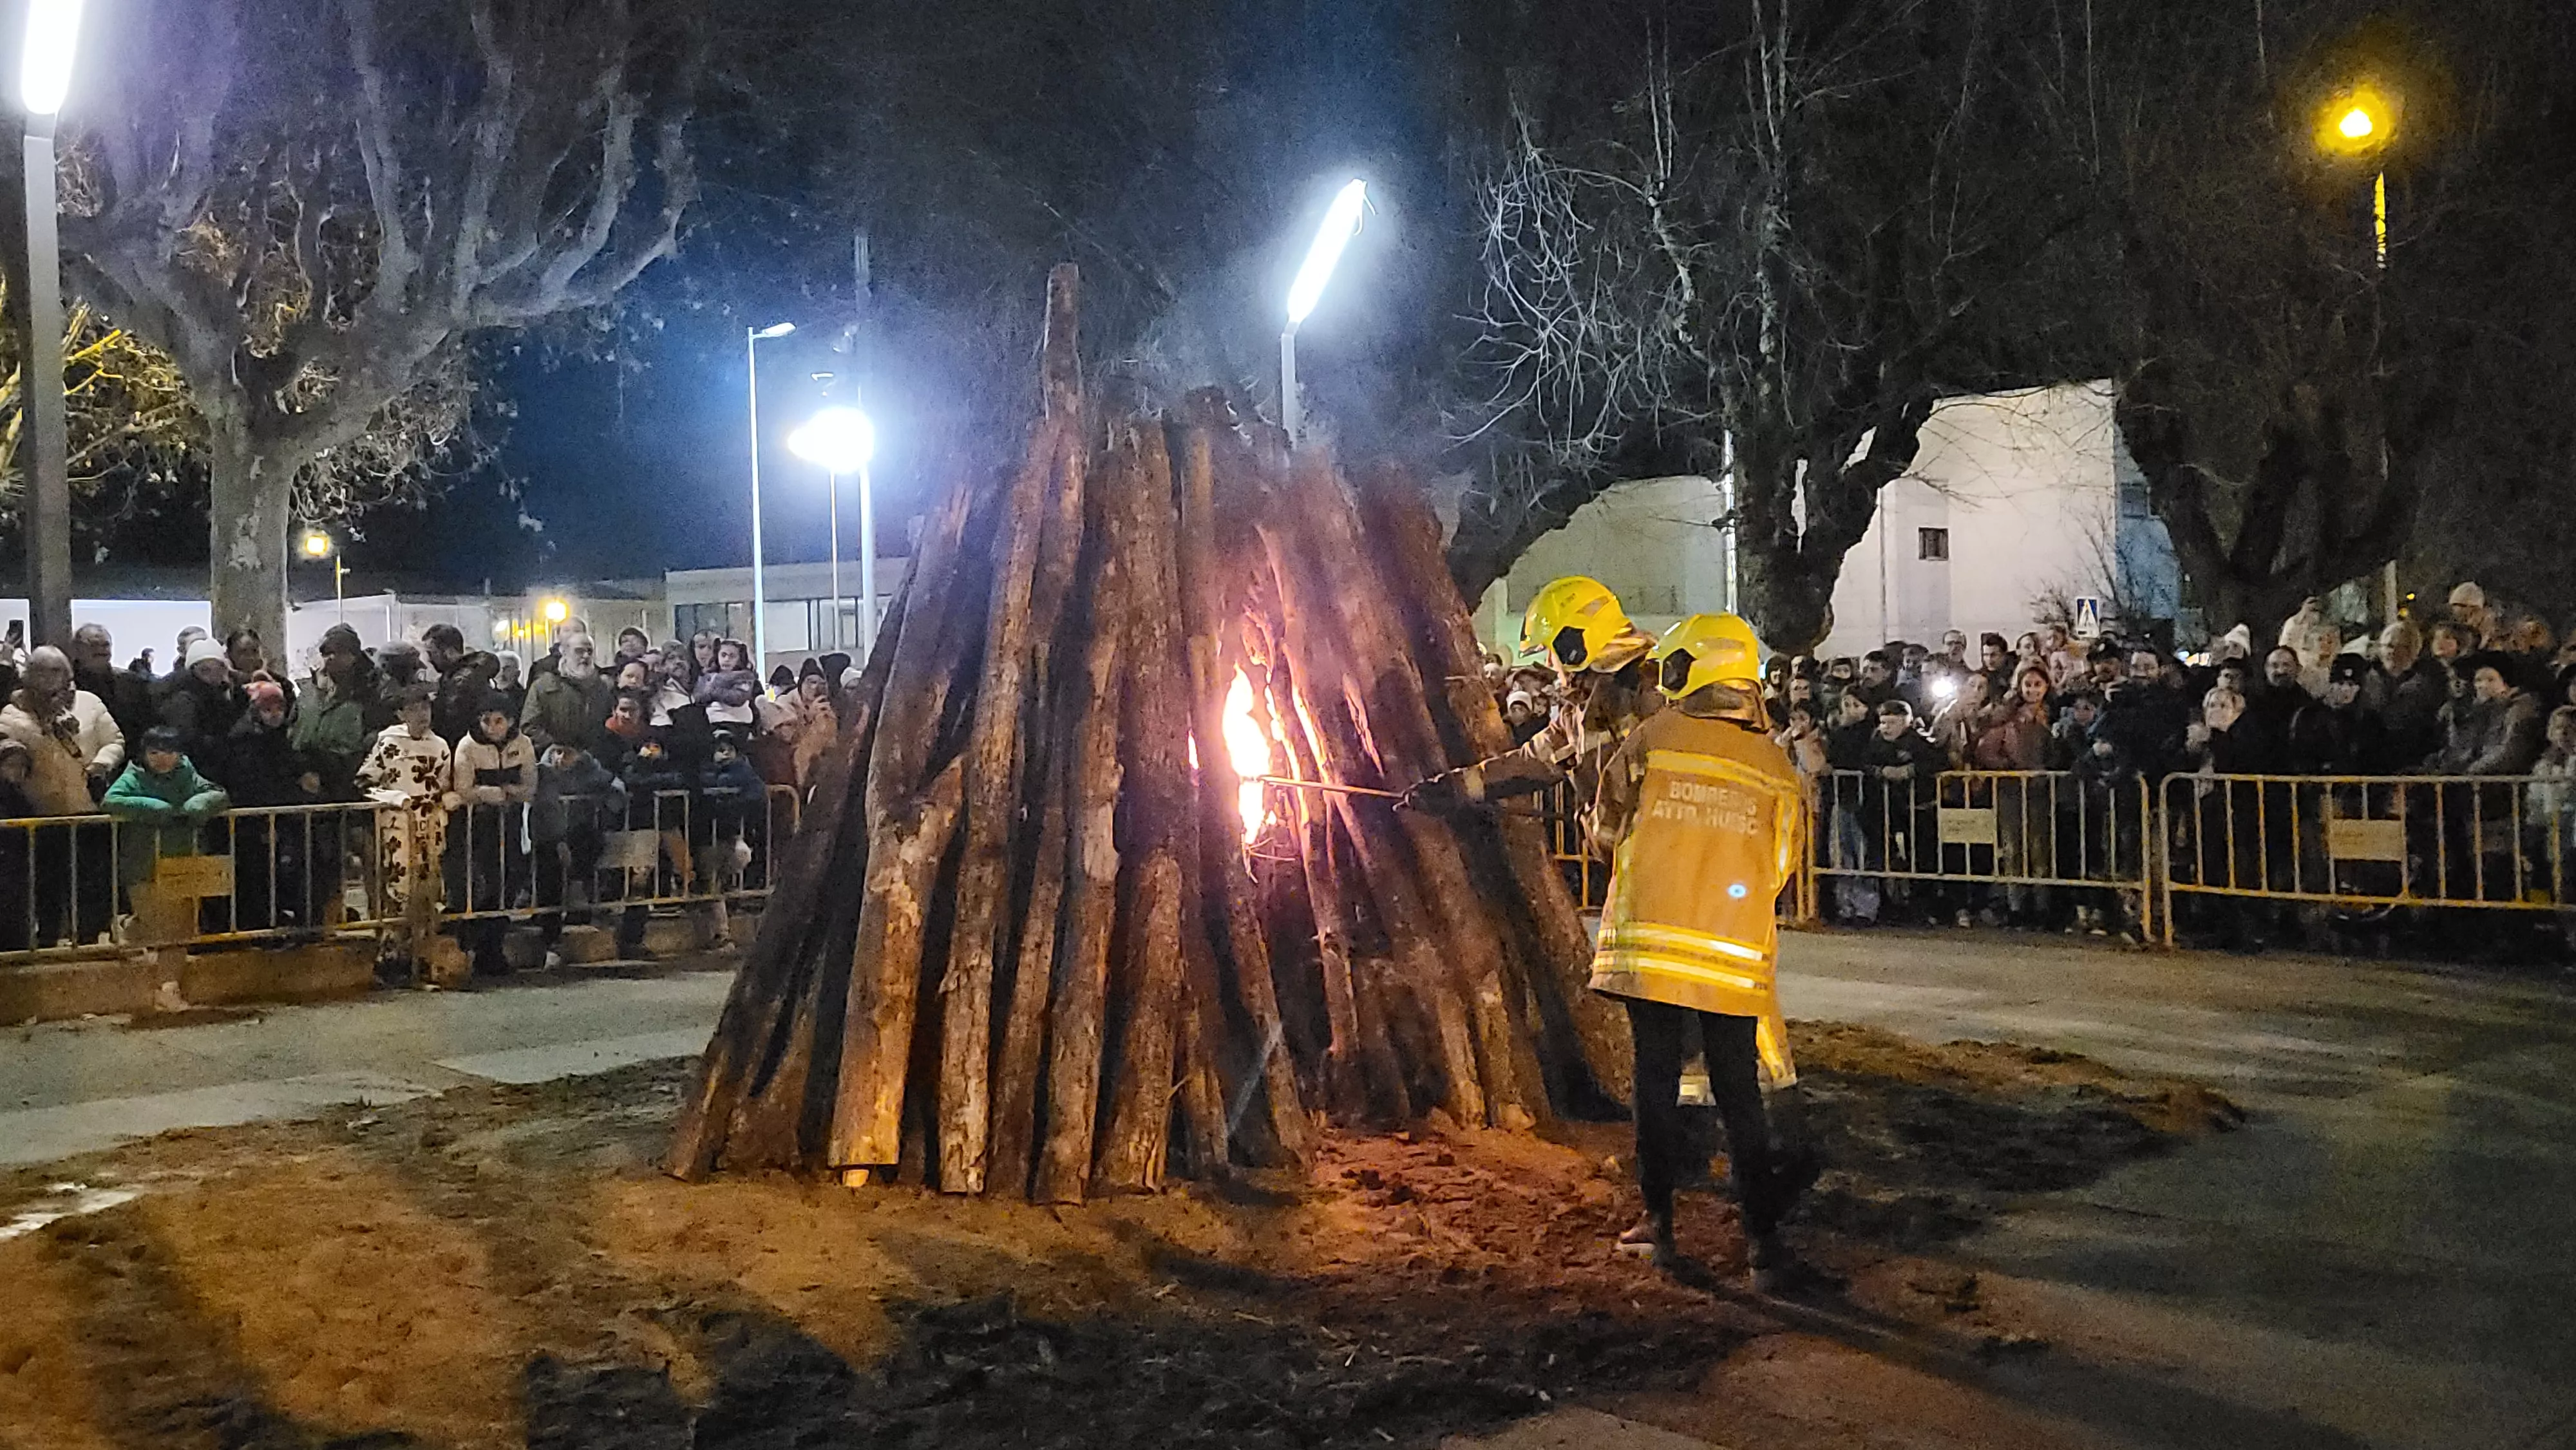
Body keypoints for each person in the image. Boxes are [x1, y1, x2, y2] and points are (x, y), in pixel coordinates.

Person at [1586, 613, 1828, 1292]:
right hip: (1731, 957)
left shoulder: (1650, 740)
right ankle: (1762, 1244)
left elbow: (1605, 832)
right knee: (1738, 1093)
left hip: (1650, 949)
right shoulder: (1775, 765)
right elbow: (1781, 863)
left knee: (1655, 1087)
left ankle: (1657, 1226)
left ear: (1691, 668)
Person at [1400, 577, 1662, 831]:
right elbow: (1528, 764)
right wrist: (1455, 789)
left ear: (1574, 644)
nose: (1549, 663)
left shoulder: (1654, 694)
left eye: (1552, 651)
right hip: (1636, 866)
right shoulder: (1579, 714)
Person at [0, 647, 126, 946]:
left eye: (57, 671)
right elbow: (9, 745)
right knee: (48, 883)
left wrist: (102, 763)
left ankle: (89, 938)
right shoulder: (14, 711)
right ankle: (47, 941)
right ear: (29, 676)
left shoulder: (89, 703)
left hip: (88, 807)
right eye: (42, 672)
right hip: (42, 812)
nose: (51, 679)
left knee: (93, 880)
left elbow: (115, 740)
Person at [446, 693, 536, 977]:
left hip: (509, 823)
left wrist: (499, 793)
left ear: (510, 721)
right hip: (475, 825)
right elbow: (464, 789)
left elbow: (529, 786)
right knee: (478, 884)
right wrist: (500, 793)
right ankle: (470, 945)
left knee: (507, 882)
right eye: (486, 720)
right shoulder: (468, 745)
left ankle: (491, 948)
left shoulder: (523, 745)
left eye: (498, 721)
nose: (492, 727)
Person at [101, 726, 230, 916]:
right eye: (154, 752)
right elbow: (111, 801)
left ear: (180, 754)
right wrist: (155, 808)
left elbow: (218, 794)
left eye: (170, 752)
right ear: (144, 754)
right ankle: (125, 928)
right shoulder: (134, 776)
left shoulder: (188, 774)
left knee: (184, 924)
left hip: (185, 863)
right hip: (144, 864)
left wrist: (197, 804)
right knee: (152, 921)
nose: (162, 758)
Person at [355, 683, 454, 925]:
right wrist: (391, 798)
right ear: (401, 714)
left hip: (430, 822)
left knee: (430, 874)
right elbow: (365, 781)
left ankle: (426, 932)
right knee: (398, 876)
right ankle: (395, 933)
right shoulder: (388, 742)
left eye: (425, 708)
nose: (422, 714)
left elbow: (444, 783)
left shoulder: (440, 746)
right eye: (413, 709)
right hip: (398, 822)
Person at [290, 624, 384, 800]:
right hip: (304, 788)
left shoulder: (370, 695)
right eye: (326, 652)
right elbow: (293, 732)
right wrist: (300, 770)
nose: (331, 657)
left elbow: (373, 743)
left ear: (354, 656)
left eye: (340, 651)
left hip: (348, 789)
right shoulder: (308, 693)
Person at [520, 633, 612, 753]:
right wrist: (558, 749)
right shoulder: (544, 687)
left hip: (593, 760)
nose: (586, 656)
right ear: (565, 653)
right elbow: (529, 726)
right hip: (554, 761)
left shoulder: (601, 687)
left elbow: (606, 724)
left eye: (590, 651)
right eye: (579, 651)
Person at [157, 636, 247, 759]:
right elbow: (191, 743)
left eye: (218, 668)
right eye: (205, 670)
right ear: (192, 671)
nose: (212, 676)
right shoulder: (183, 700)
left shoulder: (223, 695)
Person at [70, 624, 155, 746]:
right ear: (77, 649)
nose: (101, 650)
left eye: (106, 645)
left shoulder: (131, 682)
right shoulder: (65, 685)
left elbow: (145, 725)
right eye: (93, 645)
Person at [694, 637, 761, 735]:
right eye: (723, 655)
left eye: (732, 656)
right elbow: (699, 697)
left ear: (740, 659)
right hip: (712, 721)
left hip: (737, 722)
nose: (727, 659)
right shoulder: (707, 676)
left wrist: (714, 692)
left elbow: (737, 698)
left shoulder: (744, 677)